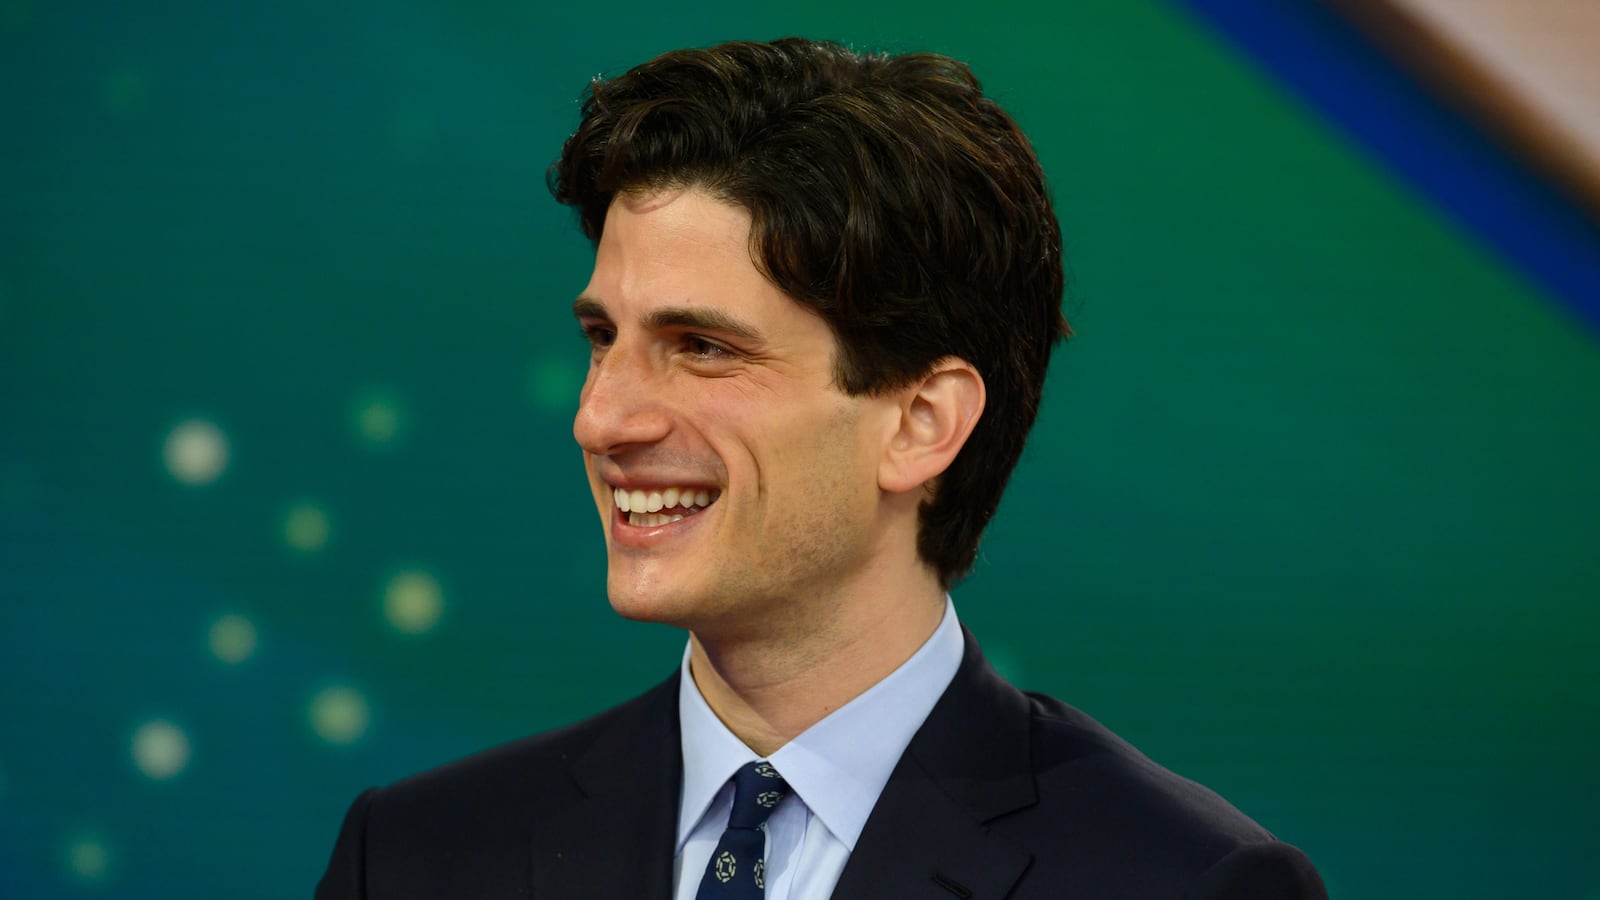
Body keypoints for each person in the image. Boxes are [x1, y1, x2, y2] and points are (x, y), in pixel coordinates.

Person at [316, 37, 1326, 899]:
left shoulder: (1181, 883)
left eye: (702, 347)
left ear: (920, 423)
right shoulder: (413, 859)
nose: (601, 418)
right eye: (602, 337)